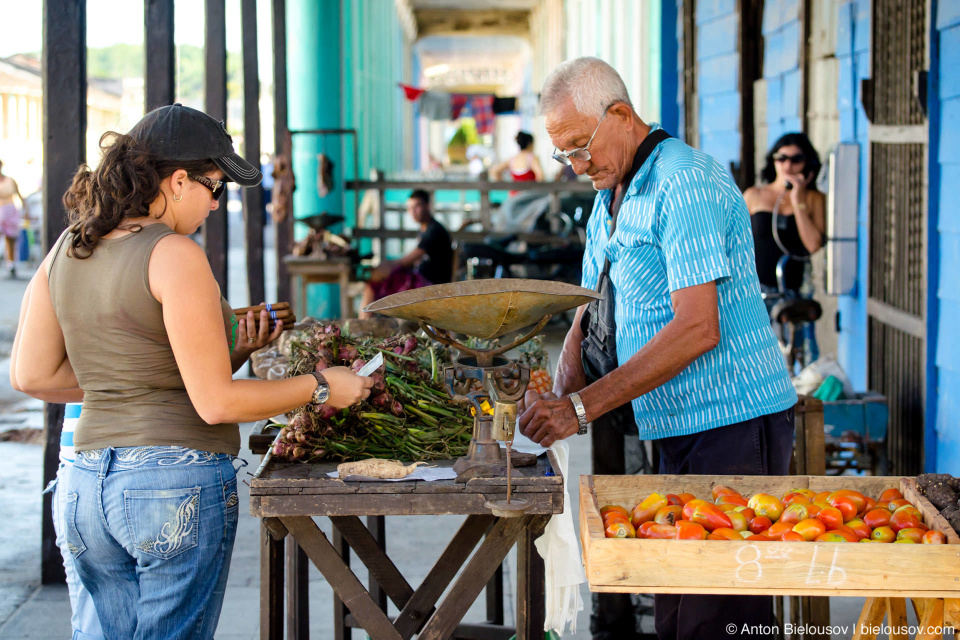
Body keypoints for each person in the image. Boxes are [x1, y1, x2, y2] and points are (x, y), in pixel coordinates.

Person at [9, 103, 373, 640]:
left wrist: (140, 380)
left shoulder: (69, 247)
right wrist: (323, 386)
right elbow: (216, 403)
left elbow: (32, 375)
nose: (215, 204)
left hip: (85, 488)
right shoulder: (174, 253)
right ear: (177, 180)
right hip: (170, 486)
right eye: (214, 186)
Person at [518, 57, 797, 640]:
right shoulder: (611, 191)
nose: (575, 166)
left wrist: (580, 408)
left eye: (579, 147)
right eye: (563, 154)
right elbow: (590, 307)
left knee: (718, 618)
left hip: (732, 424)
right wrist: (557, 391)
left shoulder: (684, 180)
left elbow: (699, 327)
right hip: (670, 426)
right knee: (673, 611)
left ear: (620, 114)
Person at [744, 133, 826, 302]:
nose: (787, 165)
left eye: (796, 159)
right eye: (781, 158)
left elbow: (813, 245)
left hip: (794, 291)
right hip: (754, 291)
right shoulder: (754, 195)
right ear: (773, 160)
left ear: (807, 163)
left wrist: (797, 200)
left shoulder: (813, 198)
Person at [359, 189, 452, 317]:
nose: (412, 212)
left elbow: (406, 261)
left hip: (429, 286)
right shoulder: (425, 229)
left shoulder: (433, 231)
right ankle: (366, 324)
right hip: (422, 280)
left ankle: (363, 326)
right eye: (409, 208)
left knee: (373, 284)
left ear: (427, 205)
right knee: (375, 281)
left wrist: (385, 267)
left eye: (417, 206)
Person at [0, 159, 30, 278]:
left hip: (10, 210)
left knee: (10, 238)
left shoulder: (10, 180)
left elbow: (19, 195)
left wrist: (26, 210)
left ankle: (11, 264)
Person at [490, 131, 544, 196]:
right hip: (529, 197)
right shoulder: (532, 158)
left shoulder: (512, 159)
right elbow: (540, 176)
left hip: (514, 196)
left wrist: (506, 186)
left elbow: (494, 171)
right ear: (530, 144)